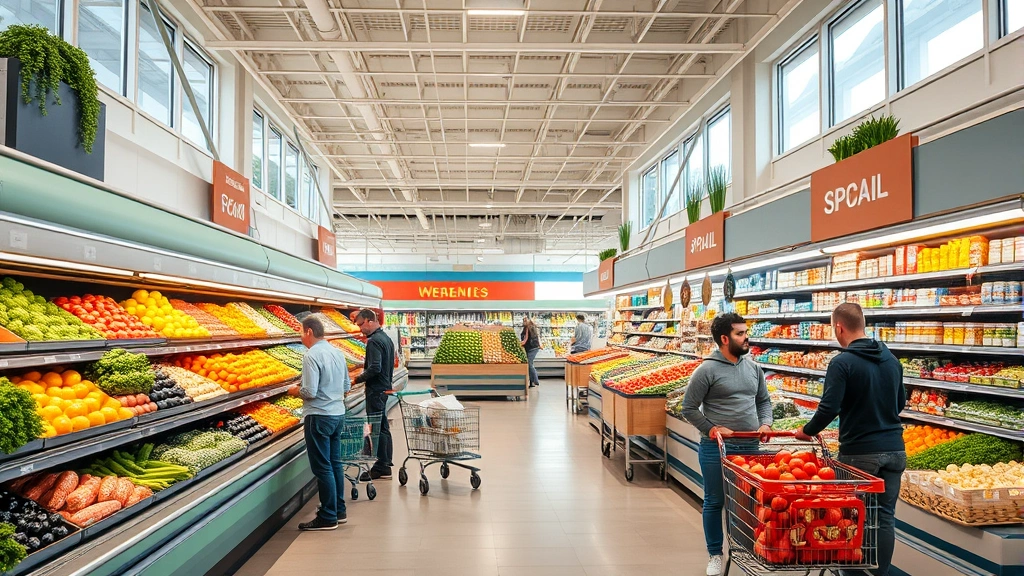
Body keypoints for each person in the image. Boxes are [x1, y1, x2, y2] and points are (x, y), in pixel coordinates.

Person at [795, 303, 906, 576]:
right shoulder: (891, 359)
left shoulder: (842, 362)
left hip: (859, 453)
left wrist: (807, 431)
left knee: (850, 517)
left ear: (839, 327)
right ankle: (879, 573)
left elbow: (829, 408)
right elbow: (899, 402)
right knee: (885, 517)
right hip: (894, 450)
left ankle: (853, 573)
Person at [680, 312, 772, 576]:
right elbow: (688, 407)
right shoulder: (706, 369)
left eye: (745, 332)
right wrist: (711, 429)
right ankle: (715, 555)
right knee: (714, 501)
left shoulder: (754, 368)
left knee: (747, 502)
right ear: (724, 338)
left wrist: (765, 423)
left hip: (750, 446)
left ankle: (747, 551)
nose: (746, 338)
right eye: (740, 334)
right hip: (716, 448)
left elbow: (763, 401)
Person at [288, 316, 351, 531]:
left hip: (319, 416)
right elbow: (346, 386)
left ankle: (327, 516)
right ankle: (339, 511)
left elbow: (310, 392)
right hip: (337, 413)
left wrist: (295, 390)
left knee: (322, 467)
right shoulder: (337, 352)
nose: (300, 337)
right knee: (335, 464)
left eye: (300, 332)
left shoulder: (311, 355)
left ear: (308, 332)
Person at [353, 308, 396, 481]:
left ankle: (380, 466)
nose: (360, 329)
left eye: (361, 324)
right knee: (383, 427)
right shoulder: (386, 338)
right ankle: (385, 464)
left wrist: (357, 380)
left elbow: (375, 368)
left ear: (370, 321)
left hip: (376, 390)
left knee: (377, 428)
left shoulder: (373, 341)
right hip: (385, 388)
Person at [520, 317, 541, 388]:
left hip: (532, 348)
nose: (524, 321)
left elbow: (525, 340)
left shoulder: (529, 328)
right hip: (531, 348)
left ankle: (535, 380)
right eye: (523, 320)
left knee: (529, 364)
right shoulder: (529, 327)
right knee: (529, 364)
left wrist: (519, 344)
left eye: (525, 320)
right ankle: (532, 382)